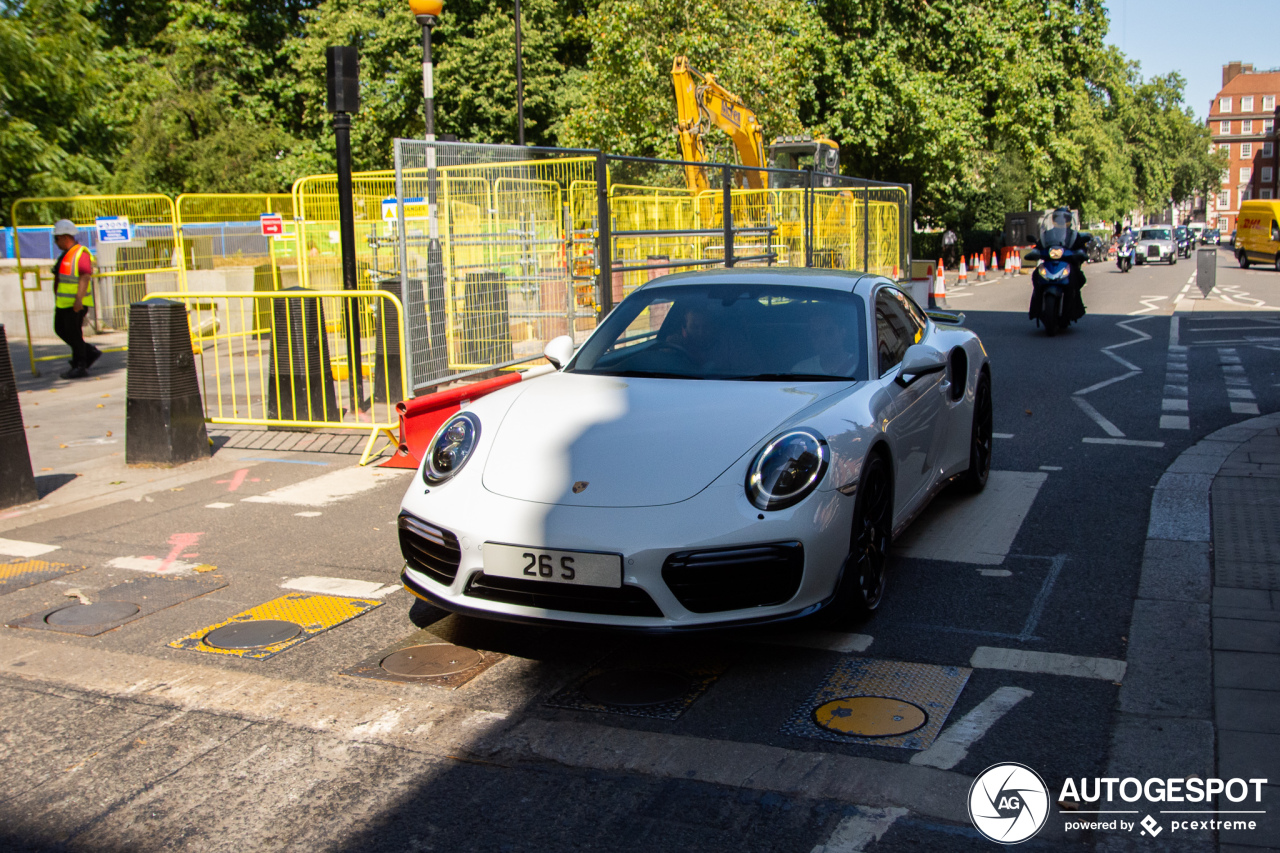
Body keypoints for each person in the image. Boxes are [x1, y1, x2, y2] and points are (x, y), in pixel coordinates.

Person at [51, 219, 101, 379]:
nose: (55, 242)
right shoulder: (66, 254)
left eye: (56, 238)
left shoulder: (81, 253)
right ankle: (89, 352)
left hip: (75, 303)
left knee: (73, 334)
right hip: (64, 302)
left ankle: (80, 365)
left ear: (64, 237)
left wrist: (79, 300)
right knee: (61, 329)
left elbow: (85, 276)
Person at [1028, 207, 1089, 323]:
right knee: (1036, 275)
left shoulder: (1073, 235)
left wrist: (1081, 253)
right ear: (1053, 219)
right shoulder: (1048, 234)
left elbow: (1081, 247)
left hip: (1068, 264)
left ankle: (1074, 307)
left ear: (1069, 220)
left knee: (1078, 278)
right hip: (1049, 263)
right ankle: (1036, 308)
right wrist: (1035, 252)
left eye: (1064, 218)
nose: (1061, 221)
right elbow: (1040, 245)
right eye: (1058, 218)